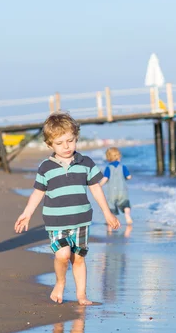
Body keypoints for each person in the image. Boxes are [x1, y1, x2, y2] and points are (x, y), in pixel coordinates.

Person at [14, 112, 120, 305]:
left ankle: (81, 295)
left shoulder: (85, 163)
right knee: (63, 255)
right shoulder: (46, 167)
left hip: (81, 220)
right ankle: (60, 282)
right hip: (56, 221)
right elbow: (38, 192)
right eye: (60, 143)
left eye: (70, 141)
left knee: (78, 259)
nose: (66, 146)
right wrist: (27, 213)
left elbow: (95, 189)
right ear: (50, 145)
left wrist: (107, 212)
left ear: (76, 138)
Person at [99, 147, 133, 226]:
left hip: (112, 192)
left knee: (111, 205)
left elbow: (105, 178)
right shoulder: (123, 167)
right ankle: (127, 215)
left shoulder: (108, 168)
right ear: (119, 156)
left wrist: (99, 185)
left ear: (108, 158)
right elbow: (129, 177)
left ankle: (111, 221)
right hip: (123, 191)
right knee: (125, 203)